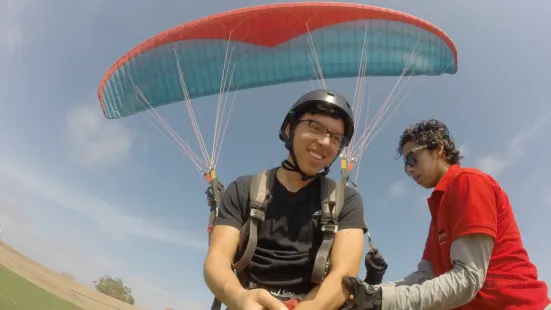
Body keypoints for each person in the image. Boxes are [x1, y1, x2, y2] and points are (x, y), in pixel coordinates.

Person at [341, 119, 551, 310]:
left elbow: (468, 279)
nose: (410, 170)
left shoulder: (468, 182)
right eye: (406, 166)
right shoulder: (439, 207)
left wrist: (381, 300)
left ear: (438, 148)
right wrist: (371, 292)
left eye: (412, 159)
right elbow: (425, 275)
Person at [204, 89, 368, 310]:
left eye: (336, 137)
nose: (326, 142)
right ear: (289, 128)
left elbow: (345, 274)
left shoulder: (346, 201)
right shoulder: (244, 189)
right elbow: (217, 259)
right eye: (315, 127)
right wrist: (240, 299)